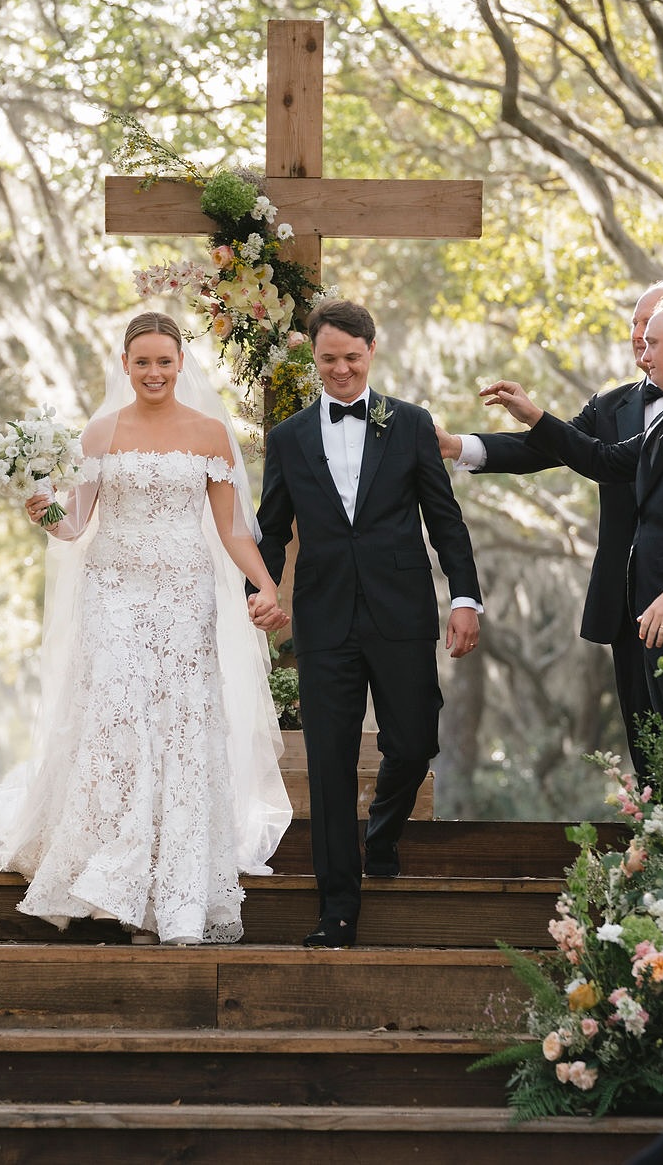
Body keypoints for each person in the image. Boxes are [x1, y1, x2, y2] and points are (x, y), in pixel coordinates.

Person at [0, 311, 292, 946]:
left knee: (181, 723)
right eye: (142, 362)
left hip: (186, 596)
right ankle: (109, 882)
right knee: (118, 719)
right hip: (113, 594)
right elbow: (75, 525)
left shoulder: (210, 433)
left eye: (164, 361)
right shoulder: (100, 432)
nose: (154, 372)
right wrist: (43, 510)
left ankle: (176, 888)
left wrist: (265, 584)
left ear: (180, 363)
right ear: (125, 366)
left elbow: (233, 529)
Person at [252, 299, 482, 949]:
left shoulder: (409, 424)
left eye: (353, 357)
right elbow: (271, 532)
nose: (342, 369)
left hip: (401, 614)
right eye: (329, 359)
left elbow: (445, 520)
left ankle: (383, 828)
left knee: (412, 742)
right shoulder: (288, 438)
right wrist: (260, 591)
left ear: (371, 352)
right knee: (328, 763)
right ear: (314, 359)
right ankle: (337, 909)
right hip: (324, 623)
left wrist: (465, 596)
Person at [436, 279, 663, 775]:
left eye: (651, 326)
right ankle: (660, 847)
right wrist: (458, 446)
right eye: (634, 325)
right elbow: (561, 450)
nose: (639, 336)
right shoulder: (617, 406)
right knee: (647, 746)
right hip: (627, 604)